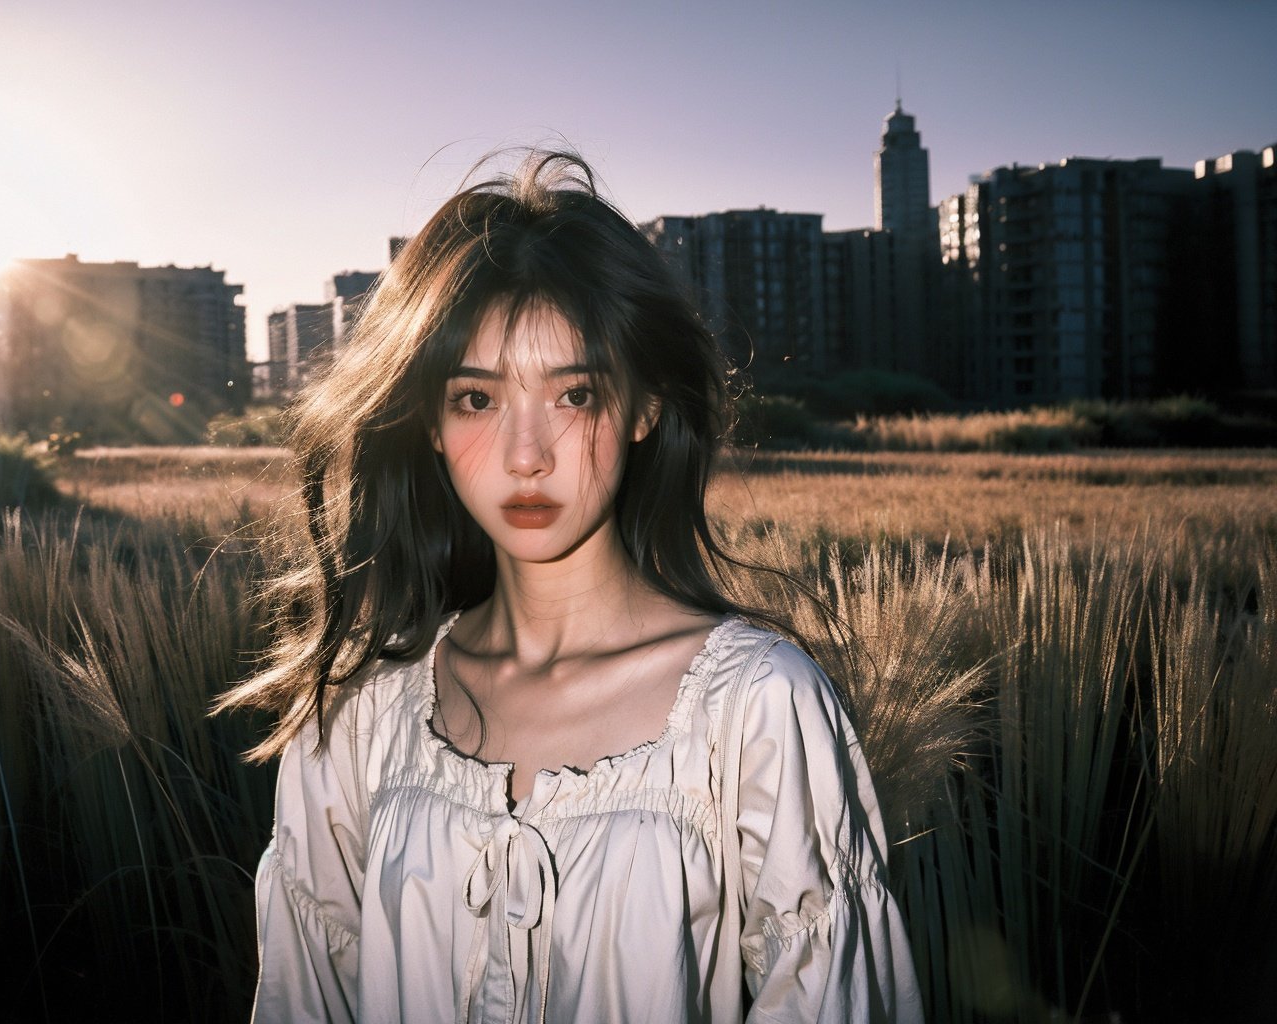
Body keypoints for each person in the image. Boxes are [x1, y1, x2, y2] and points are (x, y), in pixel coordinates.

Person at [218, 150, 923, 1022]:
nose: (525, 455)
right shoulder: (359, 715)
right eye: (476, 399)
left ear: (645, 407)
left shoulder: (753, 710)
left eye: (573, 394)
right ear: (429, 424)